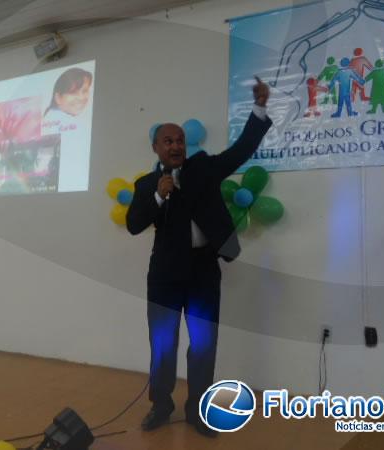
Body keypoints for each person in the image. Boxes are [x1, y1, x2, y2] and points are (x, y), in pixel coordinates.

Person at [126, 77, 272, 438]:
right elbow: (133, 225)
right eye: (168, 141)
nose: (176, 145)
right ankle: (161, 405)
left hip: (203, 272)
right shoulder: (146, 185)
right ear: (156, 148)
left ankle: (199, 411)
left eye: (179, 140)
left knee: (204, 346)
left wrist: (259, 109)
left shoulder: (204, 167)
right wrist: (159, 197)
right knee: (163, 345)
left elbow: (240, 151)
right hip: (164, 276)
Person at [42, 67, 93, 134]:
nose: (81, 97)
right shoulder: (65, 123)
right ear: (58, 98)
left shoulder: (51, 117)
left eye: (85, 91)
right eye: (73, 92)